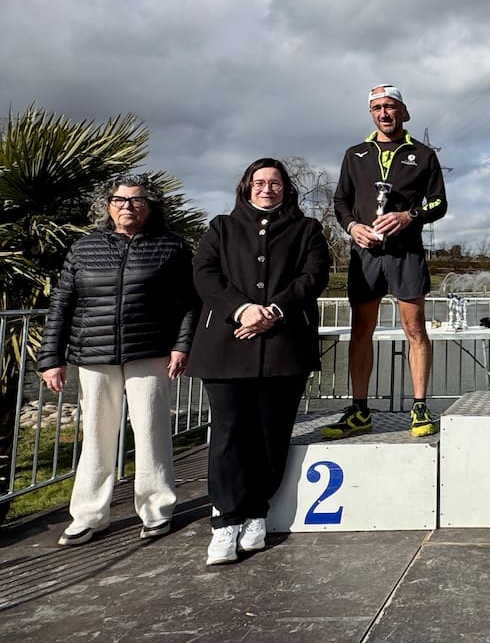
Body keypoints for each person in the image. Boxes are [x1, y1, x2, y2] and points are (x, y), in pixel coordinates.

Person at [38, 174, 197, 545]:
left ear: (149, 206)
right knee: (96, 435)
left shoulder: (171, 247)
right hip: (93, 356)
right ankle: (89, 515)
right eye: (119, 200)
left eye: (136, 200)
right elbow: (62, 304)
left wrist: (182, 345)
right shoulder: (83, 249)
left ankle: (157, 509)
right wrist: (51, 357)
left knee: (151, 431)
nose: (127, 206)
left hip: (150, 352)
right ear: (107, 206)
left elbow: (189, 302)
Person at [189, 158, 331, 565]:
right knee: (229, 433)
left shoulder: (308, 230)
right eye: (259, 182)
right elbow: (205, 274)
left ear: (287, 188)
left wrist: (273, 311)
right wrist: (243, 310)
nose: (266, 189)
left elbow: (313, 276)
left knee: (271, 435)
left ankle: (255, 512)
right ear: (246, 187)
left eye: (275, 183)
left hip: (284, 346)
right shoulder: (221, 227)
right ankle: (225, 520)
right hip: (227, 345)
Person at [325, 85, 447, 439]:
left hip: (405, 253)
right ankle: (360, 409)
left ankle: (420, 406)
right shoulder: (356, 154)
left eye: (390, 107)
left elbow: (439, 203)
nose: (384, 113)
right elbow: (340, 202)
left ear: (403, 112)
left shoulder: (422, 155)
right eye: (377, 108)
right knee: (361, 331)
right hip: (365, 254)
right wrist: (352, 227)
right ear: (371, 113)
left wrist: (408, 216)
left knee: (414, 330)